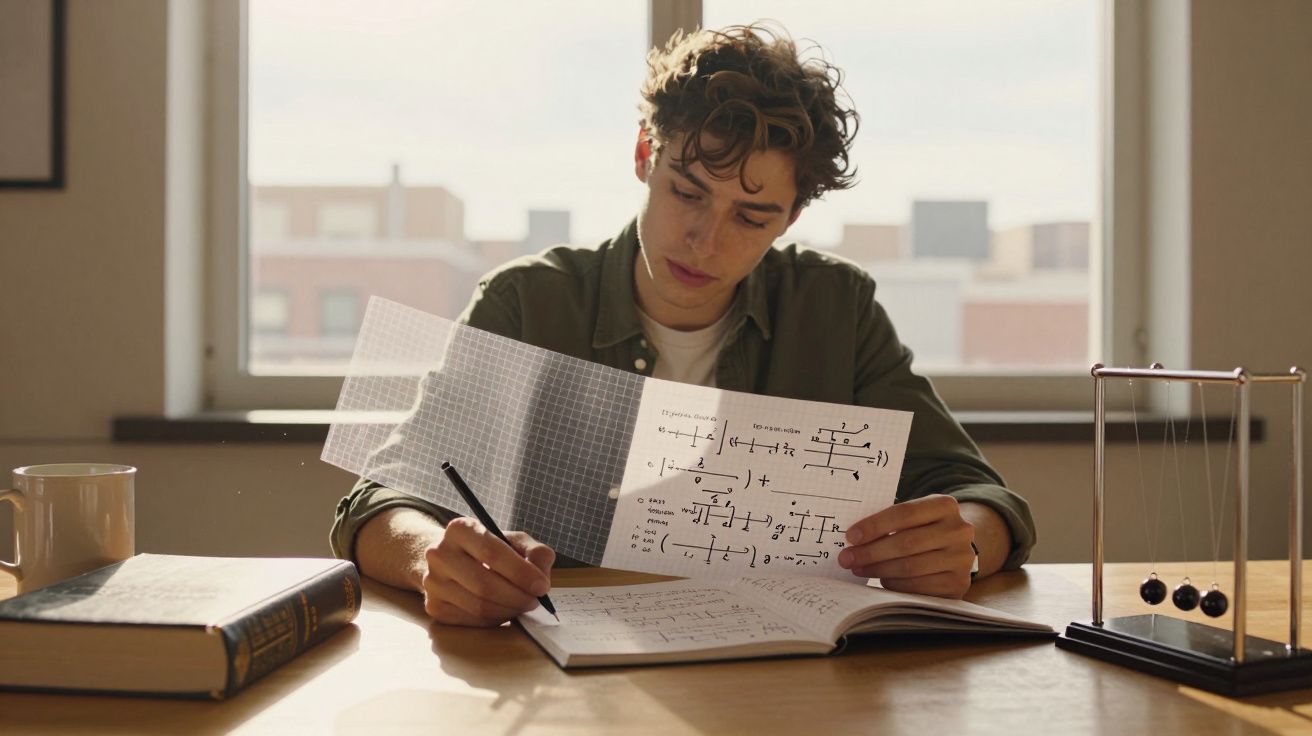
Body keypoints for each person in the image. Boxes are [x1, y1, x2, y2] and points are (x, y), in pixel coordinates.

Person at [330, 24, 1036, 627]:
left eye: (751, 217)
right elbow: (380, 500)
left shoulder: (834, 308)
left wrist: (965, 544)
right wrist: (434, 560)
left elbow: (981, 494)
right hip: (558, 676)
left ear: (791, 219)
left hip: (783, 680)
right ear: (645, 155)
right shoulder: (528, 303)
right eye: (687, 192)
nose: (705, 238)